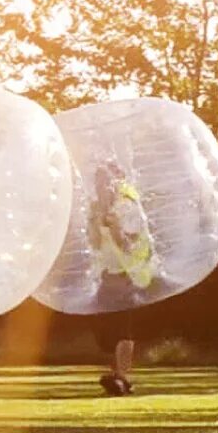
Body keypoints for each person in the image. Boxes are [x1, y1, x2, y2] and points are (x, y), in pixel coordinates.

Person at [88, 162, 161, 398]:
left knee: (122, 328)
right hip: (105, 274)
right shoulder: (96, 208)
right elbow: (96, 244)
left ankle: (122, 377)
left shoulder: (127, 207)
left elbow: (128, 244)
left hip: (126, 273)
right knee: (104, 334)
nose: (101, 187)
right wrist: (95, 224)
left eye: (105, 181)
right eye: (98, 182)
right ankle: (119, 377)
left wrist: (115, 226)